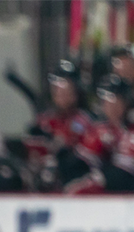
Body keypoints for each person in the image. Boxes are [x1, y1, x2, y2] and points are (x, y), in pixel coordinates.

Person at [65, 74, 134, 194]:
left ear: (127, 102)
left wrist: (92, 182)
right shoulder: (102, 129)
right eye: (106, 101)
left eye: (116, 100)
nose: (111, 106)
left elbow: (124, 177)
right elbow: (78, 165)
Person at [22, 60, 96, 192]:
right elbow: (32, 154)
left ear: (76, 92)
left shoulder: (84, 121)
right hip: (42, 182)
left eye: (67, 89)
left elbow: (84, 158)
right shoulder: (44, 121)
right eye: (57, 89)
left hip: (72, 181)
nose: (61, 93)